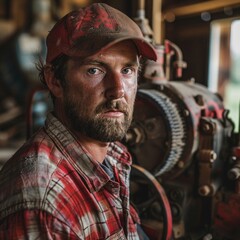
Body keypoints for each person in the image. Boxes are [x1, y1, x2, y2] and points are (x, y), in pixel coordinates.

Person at [0, 3, 157, 239]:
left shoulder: (113, 155)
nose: (117, 91)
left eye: (127, 70)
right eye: (95, 70)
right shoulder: (42, 202)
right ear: (54, 81)